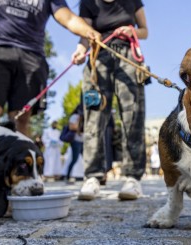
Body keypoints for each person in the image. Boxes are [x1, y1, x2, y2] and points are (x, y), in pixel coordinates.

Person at [0, 0, 101, 136]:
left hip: (32, 57)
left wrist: (89, 32)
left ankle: (19, 162)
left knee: (21, 119)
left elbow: (69, 18)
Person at [72, 0, 148, 200]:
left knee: (133, 115)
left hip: (128, 57)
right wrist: (81, 50)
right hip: (99, 57)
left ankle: (133, 178)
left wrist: (133, 31)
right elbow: (85, 34)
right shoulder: (88, 3)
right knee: (94, 117)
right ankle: (93, 177)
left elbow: (145, 31)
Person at [64, 104, 84, 183]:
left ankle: (85, 175)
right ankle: (68, 175)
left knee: (85, 158)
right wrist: (79, 122)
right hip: (75, 141)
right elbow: (71, 127)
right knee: (74, 159)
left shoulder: (84, 117)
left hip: (83, 140)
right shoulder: (74, 117)